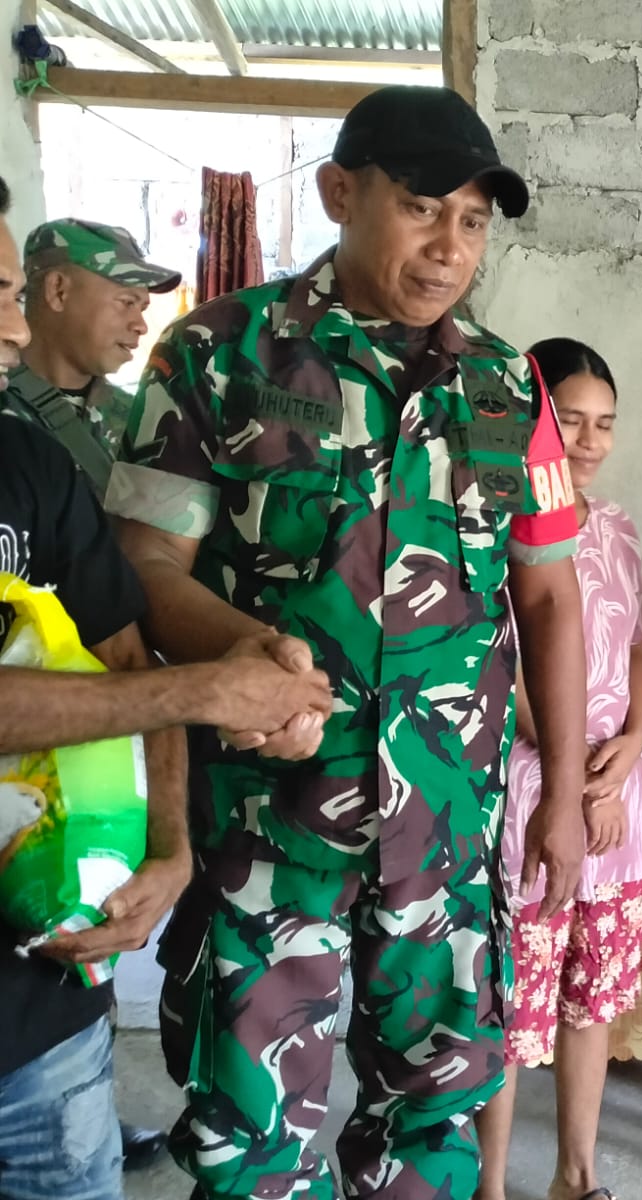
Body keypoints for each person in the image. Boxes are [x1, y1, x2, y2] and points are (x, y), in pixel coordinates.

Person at [102, 87, 589, 1200]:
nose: (450, 246)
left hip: (445, 832)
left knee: (433, 1117)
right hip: (266, 829)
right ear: (339, 193)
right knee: (249, 1135)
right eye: (423, 208)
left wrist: (561, 793)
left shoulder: (506, 384)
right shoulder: (219, 354)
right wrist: (247, 652)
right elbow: (143, 568)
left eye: (474, 221)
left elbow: (551, 599)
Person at [0, 174, 335, 1200]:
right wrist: (206, 692)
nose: (12, 325)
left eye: (9, 292)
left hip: (42, 1010)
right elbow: (159, 676)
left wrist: (170, 847)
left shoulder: (28, 460)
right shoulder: (207, 363)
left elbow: (126, 646)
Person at [1, 216, 184, 1173]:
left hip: (95, 768)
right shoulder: (24, 420)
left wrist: (168, 838)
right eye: (123, 296)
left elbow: (128, 626)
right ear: (58, 290)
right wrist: (204, 689)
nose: (138, 318)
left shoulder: (107, 426)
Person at [475, 338, 642, 1200]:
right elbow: (500, 664)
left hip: (619, 805)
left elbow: (637, 648)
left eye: (604, 424)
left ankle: (575, 1175)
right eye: (570, 421)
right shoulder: (491, 525)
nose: (588, 442)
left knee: (594, 999)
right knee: (513, 1009)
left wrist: (632, 743)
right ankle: (489, 1185)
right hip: (530, 797)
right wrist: (576, 777)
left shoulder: (616, 526)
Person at [1, 219, 180, 502]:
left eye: (142, 308)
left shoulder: (141, 419)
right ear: (58, 290)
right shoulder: (6, 410)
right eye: (127, 302)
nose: (141, 325)